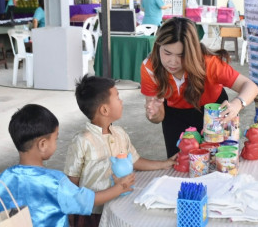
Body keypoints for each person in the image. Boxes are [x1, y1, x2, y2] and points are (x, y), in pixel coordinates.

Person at [0, 104, 135, 227]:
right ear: (43, 144)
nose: (56, 143)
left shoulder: (2, 179)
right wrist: (120, 187)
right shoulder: (54, 182)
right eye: (55, 138)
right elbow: (89, 200)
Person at [64, 75, 177, 227]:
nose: (121, 101)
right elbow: (72, 182)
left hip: (120, 204)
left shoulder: (120, 133)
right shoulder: (82, 141)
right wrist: (70, 213)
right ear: (104, 109)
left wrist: (164, 164)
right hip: (91, 213)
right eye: (117, 97)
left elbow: (135, 160)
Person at [141, 17, 258, 158]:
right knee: (179, 162)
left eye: (181, 55)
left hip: (213, 112)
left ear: (192, 51)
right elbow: (158, 117)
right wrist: (153, 113)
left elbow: (250, 86)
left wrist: (236, 104)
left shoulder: (209, 63)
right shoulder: (150, 68)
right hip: (174, 115)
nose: (172, 62)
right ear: (158, 46)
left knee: (216, 161)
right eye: (167, 53)